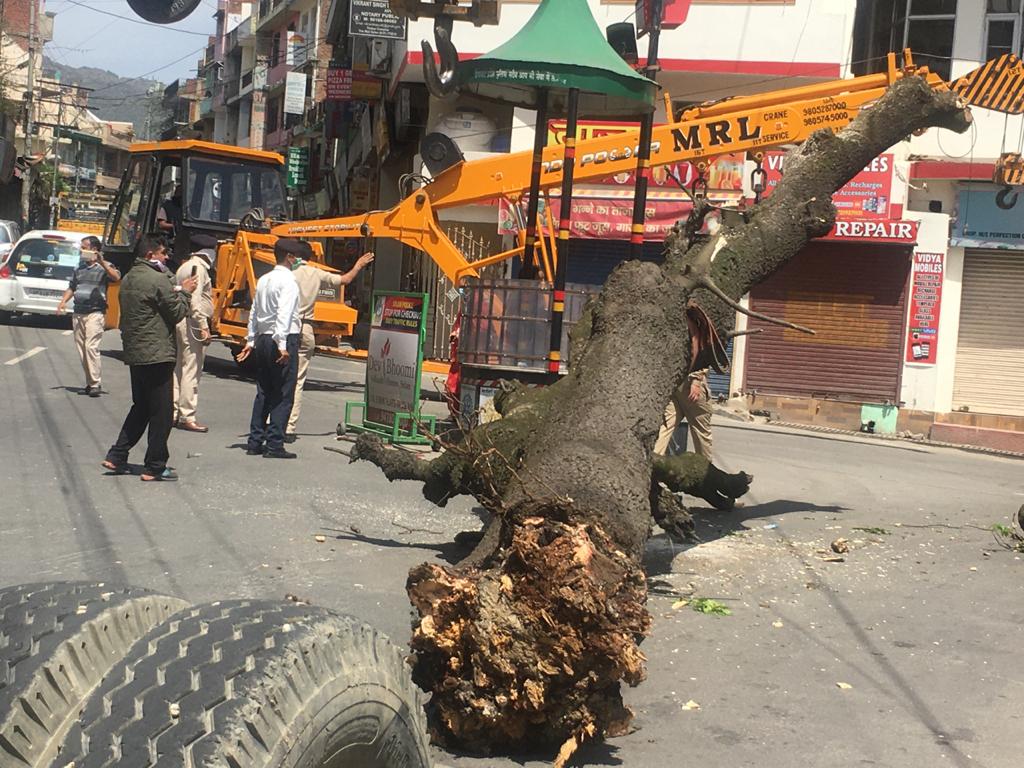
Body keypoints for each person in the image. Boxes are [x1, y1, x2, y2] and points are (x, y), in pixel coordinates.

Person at [102, 235, 197, 482]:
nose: (166, 257)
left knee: (142, 406)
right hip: (157, 353)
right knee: (161, 412)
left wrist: (172, 284)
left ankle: (117, 454)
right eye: (163, 253)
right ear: (150, 255)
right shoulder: (156, 279)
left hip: (136, 351)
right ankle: (154, 465)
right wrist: (185, 293)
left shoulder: (130, 277)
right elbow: (177, 312)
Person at [286, 245, 374, 442]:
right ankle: (289, 427)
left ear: (293, 256)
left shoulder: (287, 273)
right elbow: (345, 280)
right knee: (298, 381)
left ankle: (271, 421)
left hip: (285, 327)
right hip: (305, 327)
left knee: (279, 378)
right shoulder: (316, 273)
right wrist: (358, 265)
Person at [236, 238, 302, 459]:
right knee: (283, 392)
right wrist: (282, 345)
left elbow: (255, 311)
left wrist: (250, 340)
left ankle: (255, 440)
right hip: (282, 338)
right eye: (296, 256)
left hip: (263, 338)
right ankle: (275, 443)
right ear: (289, 257)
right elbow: (284, 313)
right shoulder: (290, 282)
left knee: (263, 390)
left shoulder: (264, 279)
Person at [56, 235, 120, 397]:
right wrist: (63, 302)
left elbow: (116, 277)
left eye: (84, 246)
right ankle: (90, 382)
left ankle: (95, 383)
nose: (81, 250)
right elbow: (72, 286)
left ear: (94, 249)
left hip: (95, 313)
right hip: (78, 312)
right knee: (82, 349)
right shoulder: (79, 268)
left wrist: (101, 262)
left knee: (91, 346)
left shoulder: (105, 266)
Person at [654, 309, 716, 461]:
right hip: (689, 384)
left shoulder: (670, 317)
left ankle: (653, 464)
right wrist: (697, 379)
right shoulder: (692, 320)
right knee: (701, 432)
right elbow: (700, 350)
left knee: (666, 426)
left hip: (677, 383)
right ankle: (705, 472)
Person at [173, 233, 217, 433]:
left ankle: (174, 411)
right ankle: (187, 416)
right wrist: (204, 327)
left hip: (181, 319)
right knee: (192, 370)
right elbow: (195, 301)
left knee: (179, 369)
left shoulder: (184, 266)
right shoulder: (198, 269)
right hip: (193, 322)